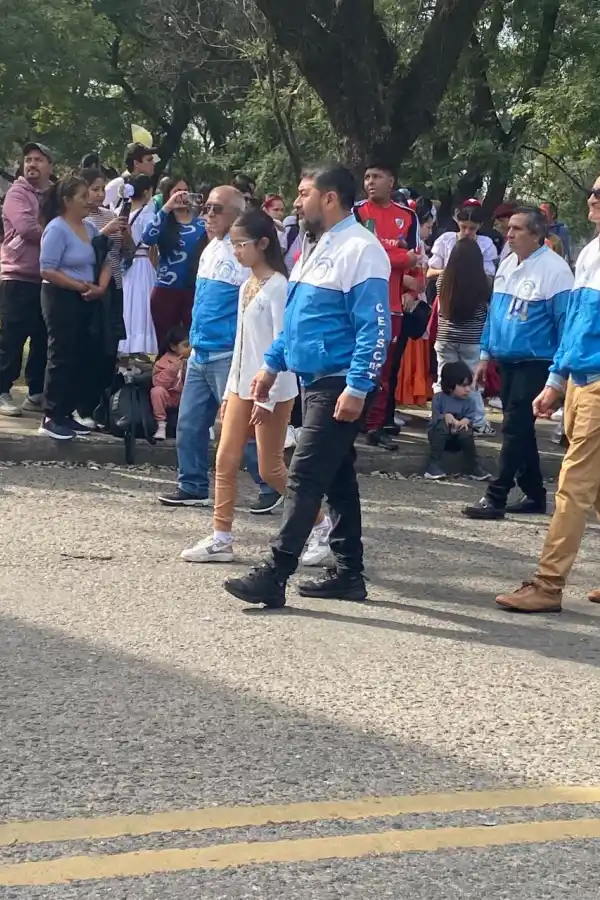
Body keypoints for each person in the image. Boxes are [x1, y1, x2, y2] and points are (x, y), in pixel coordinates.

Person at [222, 163, 391, 609]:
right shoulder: (315, 248)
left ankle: (275, 572)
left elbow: (375, 326)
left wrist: (357, 386)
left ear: (329, 198)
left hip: (338, 381)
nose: (296, 202)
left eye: (303, 193)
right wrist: (273, 363)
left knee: (305, 475)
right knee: (337, 480)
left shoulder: (362, 249)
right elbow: (298, 319)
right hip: (314, 378)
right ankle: (349, 573)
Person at [181, 209, 332, 565]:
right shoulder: (246, 285)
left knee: (270, 468)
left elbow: (284, 344)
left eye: (241, 244)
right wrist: (231, 388)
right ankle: (221, 536)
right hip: (241, 386)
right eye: (233, 245)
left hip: (273, 390)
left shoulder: (280, 286)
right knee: (225, 458)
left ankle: (322, 525)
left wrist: (268, 396)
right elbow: (242, 343)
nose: (236, 252)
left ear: (263, 243)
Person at [495, 178, 600, 612]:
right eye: (592, 192)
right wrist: (557, 380)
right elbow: (577, 321)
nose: (592, 198)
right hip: (580, 378)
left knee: (573, 486)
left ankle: (548, 583)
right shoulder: (592, 252)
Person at [157, 186, 279, 510]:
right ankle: (192, 484)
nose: (208, 215)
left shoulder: (245, 256)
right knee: (190, 423)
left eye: (217, 209)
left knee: (240, 427)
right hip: (200, 352)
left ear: (237, 215)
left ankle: (271, 484)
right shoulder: (210, 248)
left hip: (228, 354)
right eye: (205, 207)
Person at [462, 207, 574, 520]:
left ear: (536, 234)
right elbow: (494, 314)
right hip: (507, 359)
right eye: (508, 228)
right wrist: (485, 354)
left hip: (536, 361)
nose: (508, 234)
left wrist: (558, 375)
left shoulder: (555, 271)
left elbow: (565, 323)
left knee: (513, 428)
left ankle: (496, 496)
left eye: (517, 229)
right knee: (521, 430)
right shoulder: (508, 263)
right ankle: (535, 494)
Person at [38, 175, 112, 440]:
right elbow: (47, 268)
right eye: (82, 196)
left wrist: (100, 287)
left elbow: (104, 258)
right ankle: (51, 414)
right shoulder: (57, 228)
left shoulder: (90, 228)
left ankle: (67, 413)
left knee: (80, 355)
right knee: (61, 353)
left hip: (87, 297)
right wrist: (80, 286)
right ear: (67, 200)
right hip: (60, 296)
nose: (88, 200)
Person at [354, 156, 418, 451]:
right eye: (367, 177)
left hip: (393, 306)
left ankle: (375, 425)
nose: (370, 183)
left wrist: (412, 290)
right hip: (358, 302)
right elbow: (362, 253)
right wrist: (399, 257)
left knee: (384, 368)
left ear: (391, 182)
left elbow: (416, 261)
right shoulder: (357, 212)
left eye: (376, 176)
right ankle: (349, 422)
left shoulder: (407, 217)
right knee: (355, 361)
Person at [0, 142, 53, 417]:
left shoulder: (52, 194)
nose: (32, 164)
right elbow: (27, 228)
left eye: (39, 159)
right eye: (29, 159)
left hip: (44, 278)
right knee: (13, 336)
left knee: (41, 337)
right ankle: (2, 390)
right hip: (17, 275)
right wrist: (58, 235)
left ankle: (35, 393)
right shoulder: (17, 193)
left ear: (49, 166)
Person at [80, 167, 128, 425]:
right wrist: (105, 232)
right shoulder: (79, 219)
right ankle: (83, 406)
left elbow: (121, 252)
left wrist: (125, 234)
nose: (99, 194)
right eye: (94, 189)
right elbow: (84, 250)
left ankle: (102, 407)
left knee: (109, 349)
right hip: (90, 285)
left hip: (115, 286)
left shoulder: (111, 214)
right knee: (89, 346)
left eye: (102, 189)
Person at [434, 238, 492, 433]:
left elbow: (442, 308)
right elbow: (485, 312)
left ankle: (441, 419)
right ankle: (478, 422)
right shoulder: (483, 283)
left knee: (444, 380)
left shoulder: (443, 279)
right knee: (471, 383)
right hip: (472, 339)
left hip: (445, 337)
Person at [141, 177, 207, 348]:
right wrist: (166, 208)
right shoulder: (162, 223)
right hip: (166, 290)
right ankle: (163, 374)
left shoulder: (202, 224)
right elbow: (147, 238)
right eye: (176, 191)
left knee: (191, 342)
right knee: (164, 342)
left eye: (185, 191)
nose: (181, 196)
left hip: (194, 289)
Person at [425, 361, 490, 481]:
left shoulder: (470, 401)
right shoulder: (439, 398)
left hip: (458, 440)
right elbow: (434, 419)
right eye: (463, 385)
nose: (467, 389)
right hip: (440, 439)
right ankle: (433, 465)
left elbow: (470, 417)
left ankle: (472, 466)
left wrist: (465, 421)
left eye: (469, 385)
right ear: (450, 385)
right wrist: (445, 416)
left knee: (466, 432)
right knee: (441, 426)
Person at [117, 175, 158, 357]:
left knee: (127, 304)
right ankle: (137, 348)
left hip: (125, 265)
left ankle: (125, 349)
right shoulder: (148, 214)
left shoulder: (120, 211)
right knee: (141, 306)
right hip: (142, 262)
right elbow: (153, 239)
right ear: (147, 191)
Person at [427, 204, 498, 281]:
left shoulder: (486, 244)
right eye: (463, 227)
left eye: (472, 228)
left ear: (480, 225)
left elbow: (489, 278)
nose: (467, 232)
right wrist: (450, 273)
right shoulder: (445, 240)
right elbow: (430, 273)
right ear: (458, 222)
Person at [151, 325, 190, 441]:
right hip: (170, 397)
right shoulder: (163, 362)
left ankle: (206, 427)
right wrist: (172, 369)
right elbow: (158, 382)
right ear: (173, 347)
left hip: (186, 397)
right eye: (186, 345)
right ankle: (161, 425)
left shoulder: (194, 360)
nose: (190, 348)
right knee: (157, 391)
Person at [104, 142, 156, 211]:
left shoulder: (146, 186)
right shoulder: (118, 183)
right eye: (149, 160)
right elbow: (96, 209)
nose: (153, 163)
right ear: (136, 163)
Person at [540, 202, 572, 267]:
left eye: (543, 212)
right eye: (539, 212)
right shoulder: (537, 227)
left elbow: (562, 252)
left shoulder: (561, 230)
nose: (541, 214)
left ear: (553, 214)